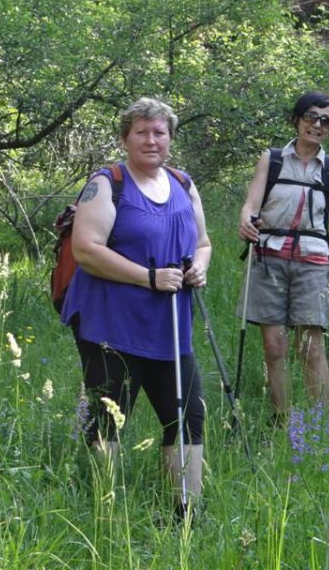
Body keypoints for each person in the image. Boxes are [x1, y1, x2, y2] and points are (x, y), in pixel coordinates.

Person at [61, 97, 211, 514]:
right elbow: (86, 249)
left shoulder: (183, 183)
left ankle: (186, 512)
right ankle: (104, 511)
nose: (151, 140)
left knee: (187, 415)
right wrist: (148, 277)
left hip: (171, 325)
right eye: (141, 132)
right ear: (126, 138)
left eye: (159, 132)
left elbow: (203, 243)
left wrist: (198, 268)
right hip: (111, 323)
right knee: (110, 415)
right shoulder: (108, 183)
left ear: (170, 139)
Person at [237, 92, 329, 423]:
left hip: (313, 263)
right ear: (297, 119)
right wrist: (246, 220)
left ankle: (318, 426)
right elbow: (251, 204)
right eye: (311, 117)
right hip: (267, 258)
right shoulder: (271, 159)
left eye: (325, 120)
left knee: (311, 348)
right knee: (274, 348)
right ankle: (283, 420)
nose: (317, 125)